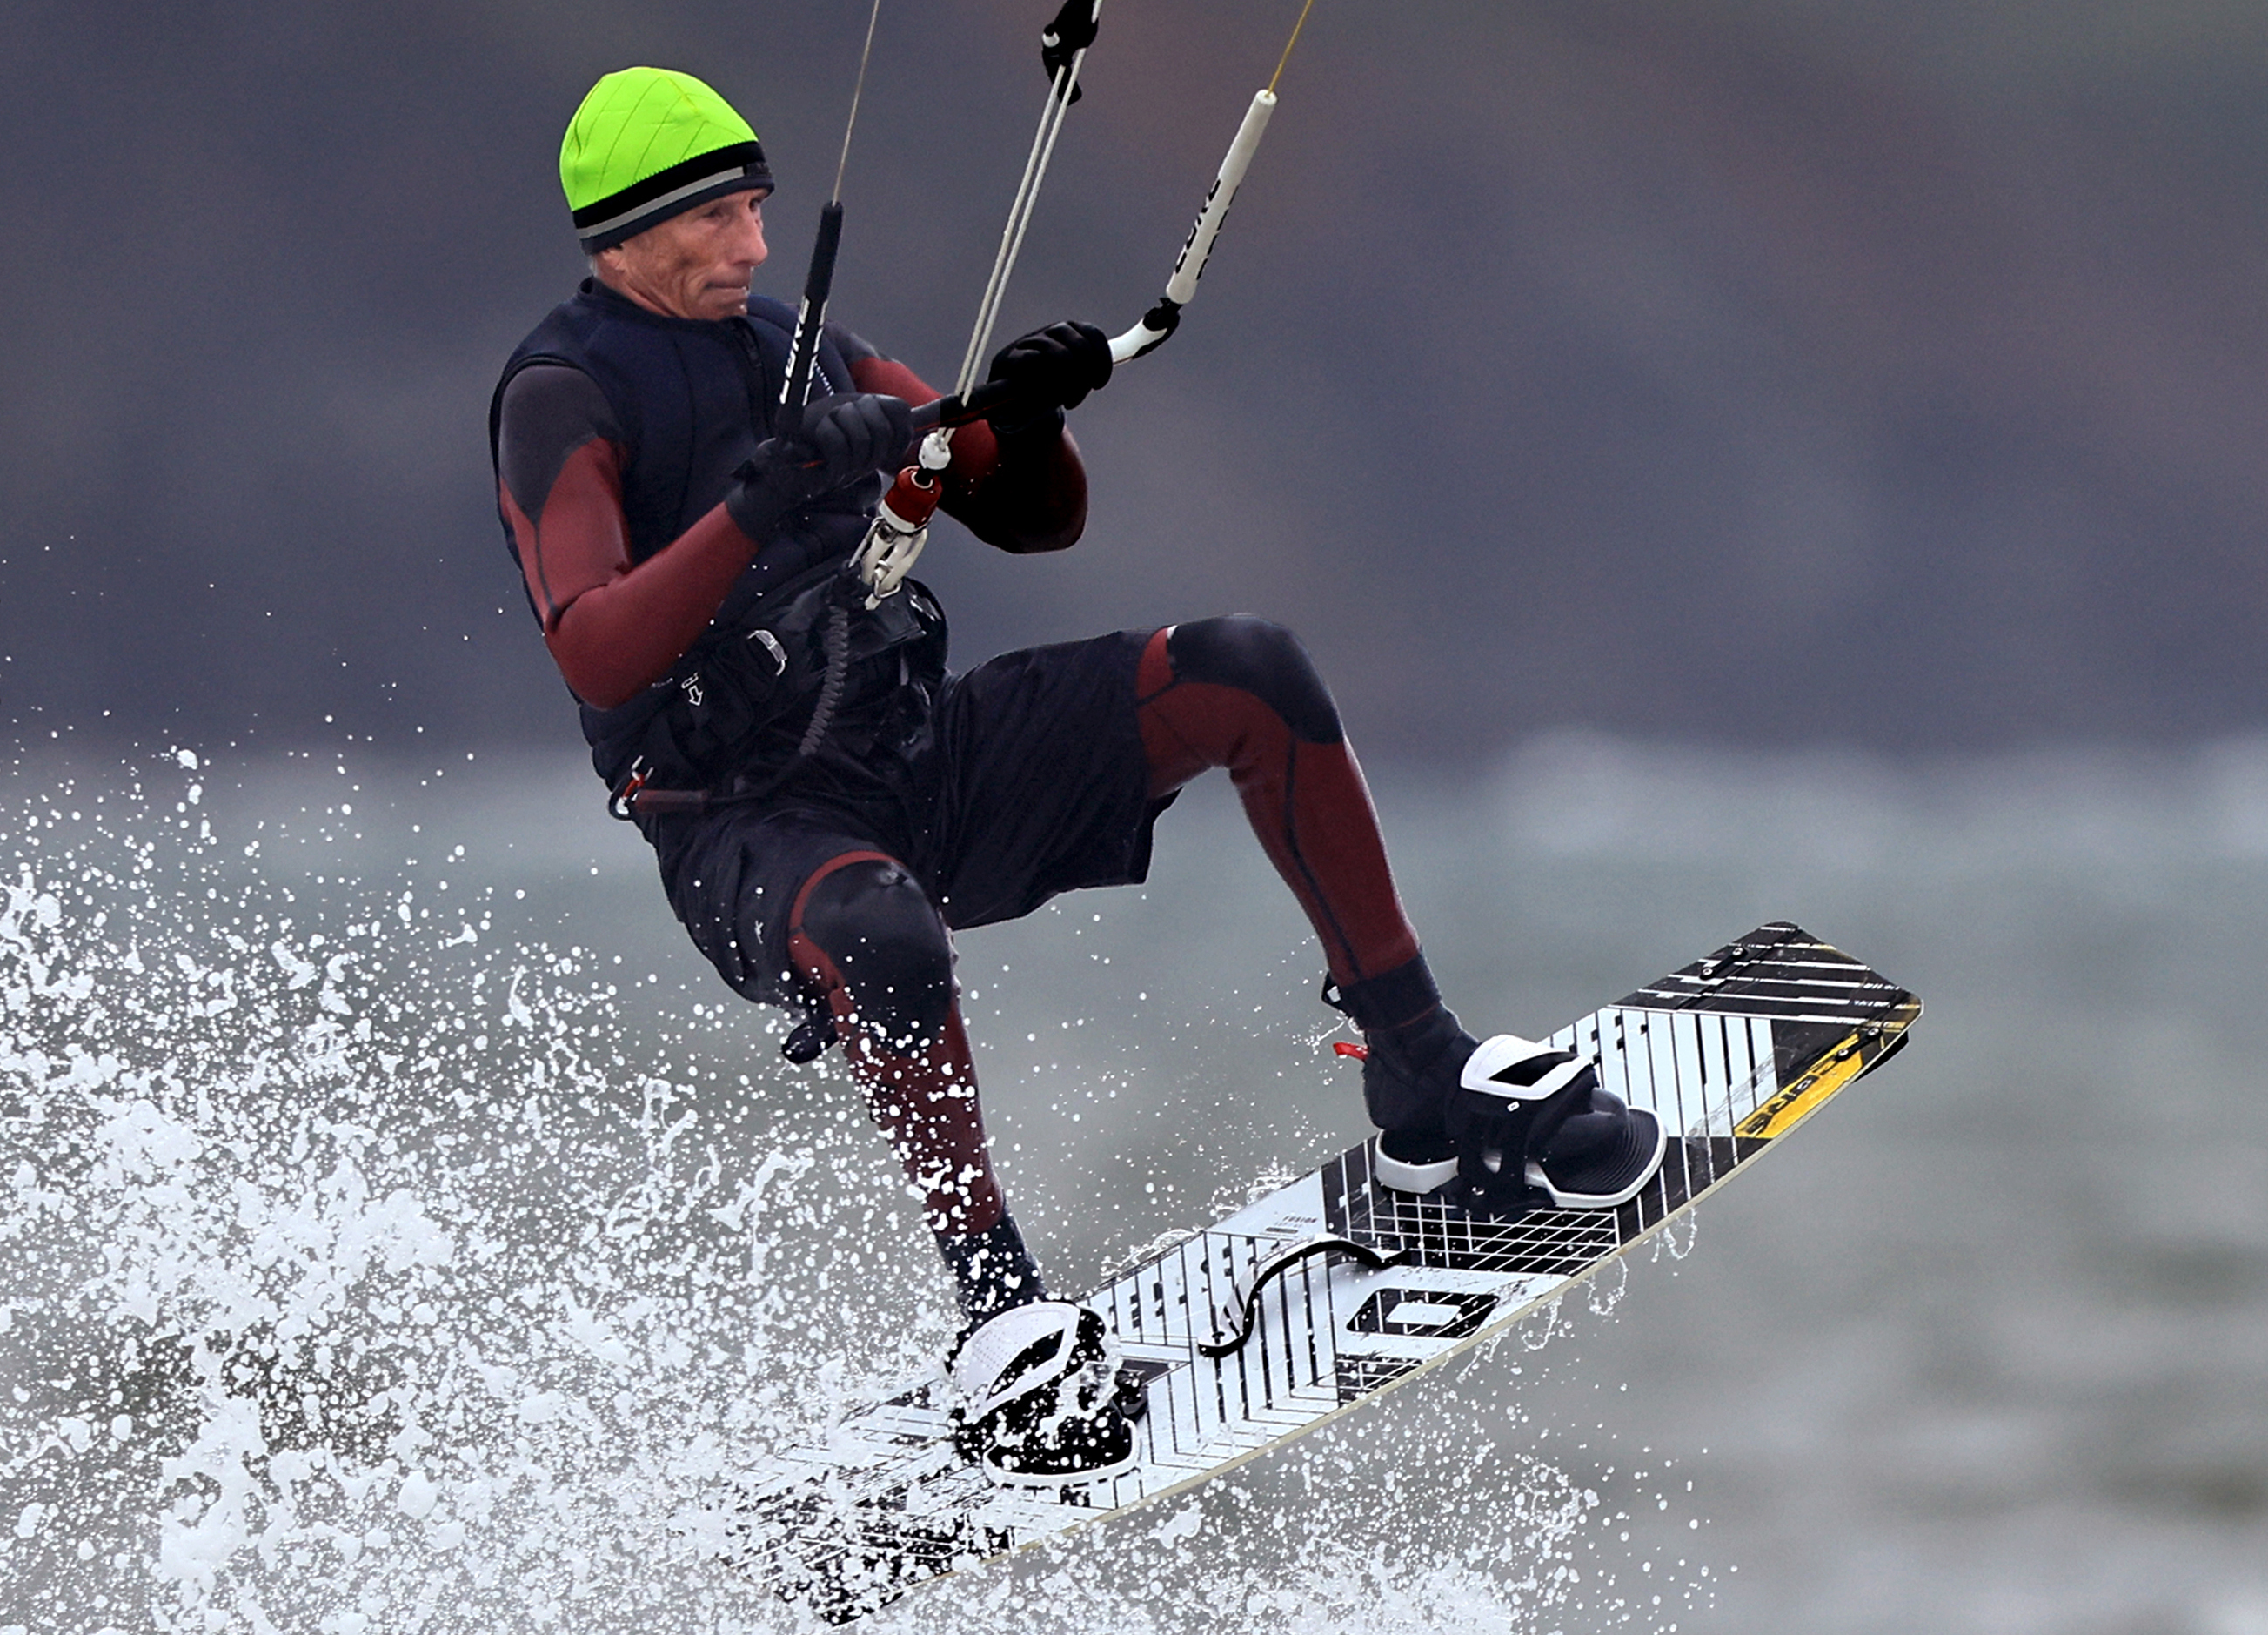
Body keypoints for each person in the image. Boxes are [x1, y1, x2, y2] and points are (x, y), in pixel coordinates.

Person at [491, 67, 1664, 1484]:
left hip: (920, 760)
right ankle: (1001, 1316)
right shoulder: (563, 394)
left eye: (757, 209)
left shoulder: (801, 342)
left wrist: (1022, 420)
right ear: (625, 235)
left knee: (1245, 668)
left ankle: (1420, 1067)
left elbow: (1036, 519)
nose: (749, 245)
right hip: (754, 835)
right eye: (718, 220)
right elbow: (599, 651)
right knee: (878, 929)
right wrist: (758, 501)